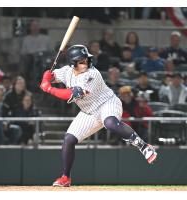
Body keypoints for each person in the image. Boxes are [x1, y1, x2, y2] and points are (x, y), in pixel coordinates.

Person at [40, 44, 157, 187]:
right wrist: (47, 77)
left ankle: (144, 146)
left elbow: (72, 94)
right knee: (69, 139)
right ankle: (65, 177)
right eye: (81, 61)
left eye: (86, 59)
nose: (86, 63)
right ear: (72, 63)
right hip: (88, 112)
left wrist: (49, 88)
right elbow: (52, 76)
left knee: (110, 123)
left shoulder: (92, 74)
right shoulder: (66, 71)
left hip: (107, 103)